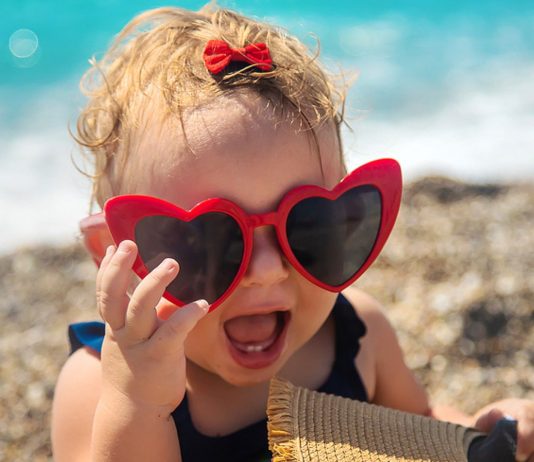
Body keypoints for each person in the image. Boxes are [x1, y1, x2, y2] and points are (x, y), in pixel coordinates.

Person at [51, 4, 534, 461]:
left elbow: (419, 427)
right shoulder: (97, 386)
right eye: (209, 242)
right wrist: (137, 402)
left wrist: (480, 430)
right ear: (111, 256)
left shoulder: (358, 335)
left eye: (308, 226)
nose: (265, 271)